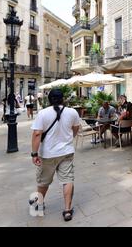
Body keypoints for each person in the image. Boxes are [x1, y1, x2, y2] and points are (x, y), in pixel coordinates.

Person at [31, 89, 80, 222]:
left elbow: (36, 134)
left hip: (48, 154)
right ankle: (67, 210)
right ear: (63, 98)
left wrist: (34, 153)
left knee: (43, 181)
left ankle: (39, 204)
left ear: (49, 99)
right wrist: (68, 139)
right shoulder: (72, 112)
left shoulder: (43, 113)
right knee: (68, 179)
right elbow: (76, 128)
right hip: (67, 152)